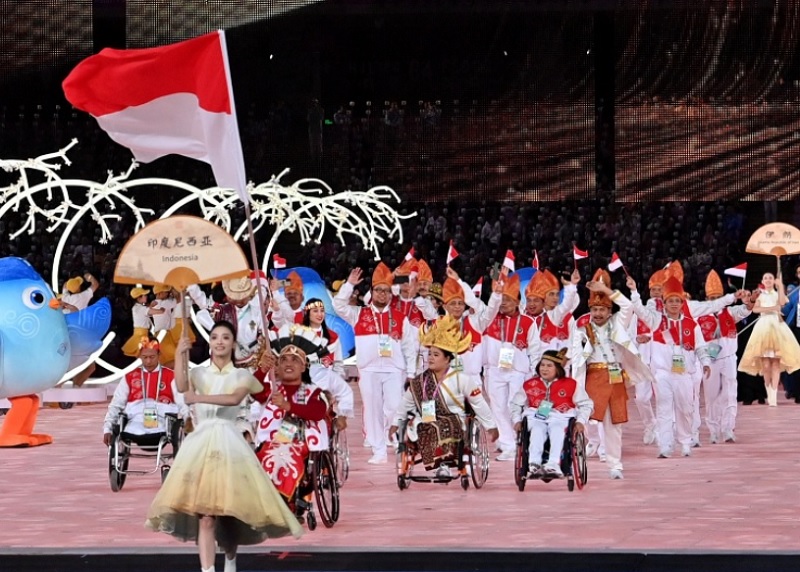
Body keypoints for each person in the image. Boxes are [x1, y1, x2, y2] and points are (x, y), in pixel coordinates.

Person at [145, 321, 302, 572]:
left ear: (233, 343)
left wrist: (198, 398)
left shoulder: (242, 375)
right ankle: (208, 570)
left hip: (229, 442)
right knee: (206, 517)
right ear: (210, 342)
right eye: (215, 337)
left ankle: (230, 557)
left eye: (225, 337)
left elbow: (233, 398)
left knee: (228, 514)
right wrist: (178, 353)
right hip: (200, 443)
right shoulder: (198, 374)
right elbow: (183, 385)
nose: (220, 341)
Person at [389, 315, 499, 477]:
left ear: (447, 359)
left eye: (436, 355)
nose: (431, 358)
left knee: (439, 427)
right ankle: (438, 462)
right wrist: (394, 423)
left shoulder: (461, 379)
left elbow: (478, 403)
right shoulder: (420, 381)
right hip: (425, 420)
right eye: (430, 354)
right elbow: (406, 404)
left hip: (454, 421)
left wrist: (491, 425)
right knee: (425, 426)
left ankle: (444, 465)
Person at [333, 263, 418, 465]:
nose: (382, 294)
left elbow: (409, 347)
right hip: (368, 370)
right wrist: (349, 285)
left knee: (394, 408)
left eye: (386, 291)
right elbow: (338, 306)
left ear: (391, 294)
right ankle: (378, 450)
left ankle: (396, 442)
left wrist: (412, 373)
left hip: (394, 370)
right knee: (372, 409)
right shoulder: (359, 314)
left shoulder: (400, 317)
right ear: (372, 293)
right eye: (378, 290)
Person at [252, 326, 329, 519]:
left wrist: (288, 406)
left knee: (285, 456)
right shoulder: (273, 391)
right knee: (263, 455)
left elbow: (318, 412)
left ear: (304, 367)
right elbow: (254, 390)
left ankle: (283, 502)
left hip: (301, 445)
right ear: (276, 366)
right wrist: (262, 370)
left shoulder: (312, 391)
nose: (289, 363)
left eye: (295, 360)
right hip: (272, 442)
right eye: (283, 359)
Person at [568, 269, 639, 480]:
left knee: (613, 423)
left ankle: (615, 464)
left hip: (615, 377)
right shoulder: (582, 331)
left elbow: (628, 305)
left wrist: (605, 289)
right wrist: (575, 386)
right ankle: (580, 452)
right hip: (593, 378)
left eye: (602, 309)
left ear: (609, 311)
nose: (598, 313)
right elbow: (577, 359)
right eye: (595, 309)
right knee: (584, 418)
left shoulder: (618, 324)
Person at [632, 276, 711, 458]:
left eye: (677, 301)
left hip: (684, 375)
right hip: (662, 374)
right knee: (664, 408)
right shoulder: (657, 321)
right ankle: (665, 446)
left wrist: (705, 363)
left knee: (685, 409)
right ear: (664, 303)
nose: (674, 304)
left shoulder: (692, 325)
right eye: (670, 301)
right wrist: (634, 292)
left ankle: (685, 442)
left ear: (683, 303)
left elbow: (700, 346)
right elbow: (640, 311)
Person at [482, 272, 542, 461]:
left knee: (514, 406)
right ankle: (508, 445)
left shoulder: (527, 322)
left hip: (518, 371)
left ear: (517, 302)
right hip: (494, 370)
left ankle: (521, 441)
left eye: (508, 300)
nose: (503, 303)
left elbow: (536, 350)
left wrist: (534, 373)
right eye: (501, 299)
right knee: (498, 407)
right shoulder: (491, 318)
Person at [511, 349, 593, 477]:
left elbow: (586, 404)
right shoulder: (529, 384)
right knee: (537, 430)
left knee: (557, 430)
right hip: (536, 416)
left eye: (549, 366)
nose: (544, 369)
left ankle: (553, 464)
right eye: (542, 365)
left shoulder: (571, 384)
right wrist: (517, 420)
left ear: (558, 368)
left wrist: (581, 421)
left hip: (560, 417)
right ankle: (534, 463)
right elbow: (516, 403)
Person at [696, 270, 753, 443]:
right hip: (710, 360)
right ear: (707, 299)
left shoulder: (730, 312)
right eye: (712, 298)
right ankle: (713, 430)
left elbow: (746, 310)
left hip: (728, 358)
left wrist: (750, 301)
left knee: (729, 394)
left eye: (718, 297)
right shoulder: (700, 315)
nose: (715, 301)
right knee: (712, 396)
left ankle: (728, 429)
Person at [102, 336, 182, 447]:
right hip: (134, 424)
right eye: (144, 357)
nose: (148, 361)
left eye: (152, 357)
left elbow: (183, 403)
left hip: (162, 424)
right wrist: (108, 428)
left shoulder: (171, 376)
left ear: (159, 355)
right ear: (140, 356)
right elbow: (116, 404)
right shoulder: (130, 377)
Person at [739, 271, 800, 406]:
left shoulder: (777, 293)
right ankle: (768, 390)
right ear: (762, 280)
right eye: (765, 278)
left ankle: (773, 395)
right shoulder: (760, 294)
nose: (768, 280)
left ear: (773, 281)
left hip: (777, 327)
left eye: (770, 278)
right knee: (766, 364)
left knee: (776, 363)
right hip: (763, 327)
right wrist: (772, 308)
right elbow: (755, 309)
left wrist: (781, 286)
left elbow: (783, 302)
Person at [302, 298, 354, 426]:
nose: (319, 314)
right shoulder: (299, 335)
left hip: (325, 389)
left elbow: (338, 364)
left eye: (322, 311)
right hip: (302, 387)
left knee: (322, 426)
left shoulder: (333, 337)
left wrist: (334, 386)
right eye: (315, 311)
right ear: (307, 313)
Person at [122, 287, 152, 357]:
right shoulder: (141, 308)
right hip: (141, 335)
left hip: (141, 333)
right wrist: (162, 310)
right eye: (144, 295)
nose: (146, 296)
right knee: (143, 355)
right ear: (139, 298)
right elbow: (150, 311)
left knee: (143, 355)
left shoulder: (137, 307)